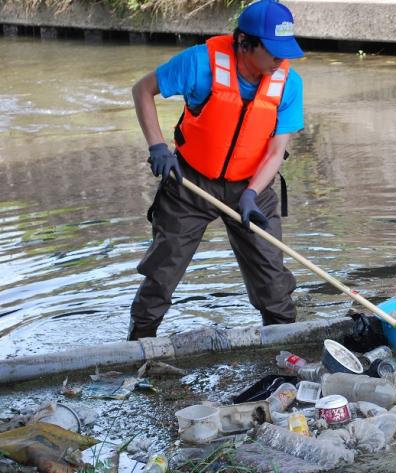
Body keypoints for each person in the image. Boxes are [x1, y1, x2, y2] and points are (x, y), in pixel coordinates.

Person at [128, 0, 305, 340]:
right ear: (244, 43)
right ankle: (139, 344)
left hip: (253, 186)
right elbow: (143, 89)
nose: (280, 61)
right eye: (272, 52)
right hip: (190, 182)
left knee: (273, 281)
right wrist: (157, 147)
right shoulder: (200, 64)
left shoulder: (288, 84)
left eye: (285, 52)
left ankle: (285, 351)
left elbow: (275, 151)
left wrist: (252, 193)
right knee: (162, 273)